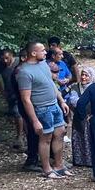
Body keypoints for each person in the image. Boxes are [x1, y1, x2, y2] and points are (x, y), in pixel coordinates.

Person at [17, 42, 71, 179]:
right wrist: (35, 120)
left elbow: (51, 84)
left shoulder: (43, 64)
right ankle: (47, 169)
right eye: (42, 50)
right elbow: (26, 99)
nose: (46, 52)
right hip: (41, 108)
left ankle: (59, 165)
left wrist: (61, 101)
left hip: (54, 105)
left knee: (60, 132)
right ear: (33, 53)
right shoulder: (24, 72)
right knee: (46, 137)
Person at [11, 49, 41, 172]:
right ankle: (31, 160)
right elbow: (24, 95)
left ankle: (37, 157)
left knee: (36, 133)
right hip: (27, 106)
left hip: (33, 105)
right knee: (33, 133)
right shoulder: (20, 72)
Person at [69, 67, 95, 167]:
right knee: (80, 138)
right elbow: (74, 101)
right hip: (80, 118)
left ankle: (92, 160)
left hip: (92, 118)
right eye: (82, 75)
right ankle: (80, 160)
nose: (83, 77)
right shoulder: (75, 87)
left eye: (86, 75)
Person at [0, 49, 25, 149]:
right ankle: (21, 136)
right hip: (10, 94)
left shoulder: (19, 61)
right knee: (16, 114)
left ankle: (20, 137)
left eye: (7, 58)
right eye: (2, 59)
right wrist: (2, 91)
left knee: (19, 113)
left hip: (22, 92)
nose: (5, 61)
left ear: (11, 55)